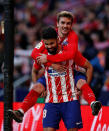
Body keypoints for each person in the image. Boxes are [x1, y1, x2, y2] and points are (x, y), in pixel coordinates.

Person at [8, 11, 101, 122]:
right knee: (37, 87)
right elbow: (34, 55)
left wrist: (48, 59)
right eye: (63, 23)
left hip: (71, 71)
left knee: (81, 82)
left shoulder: (72, 37)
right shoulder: (49, 38)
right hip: (52, 77)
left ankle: (92, 103)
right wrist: (50, 65)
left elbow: (71, 55)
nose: (65, 26)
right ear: (57, 24)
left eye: (68, 23)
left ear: (71, 25)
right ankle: (20, 112)